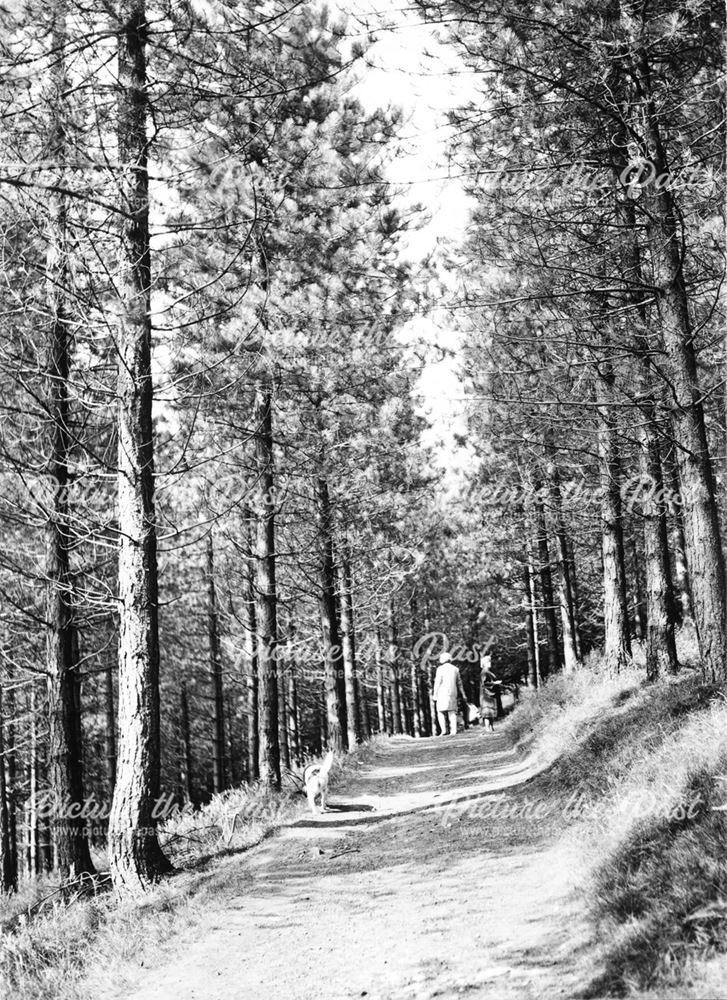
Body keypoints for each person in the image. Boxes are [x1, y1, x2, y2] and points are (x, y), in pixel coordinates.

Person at [433, 651, 466, 736]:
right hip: (452, 692)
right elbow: (459, 683)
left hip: (442, 692)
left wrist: (435, 694)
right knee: (452, 711)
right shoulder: (455, 669)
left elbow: (437, 683)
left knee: (440, 711)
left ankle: (443, 730)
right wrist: (463, 694)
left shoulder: (440, 669)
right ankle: (453, 731)